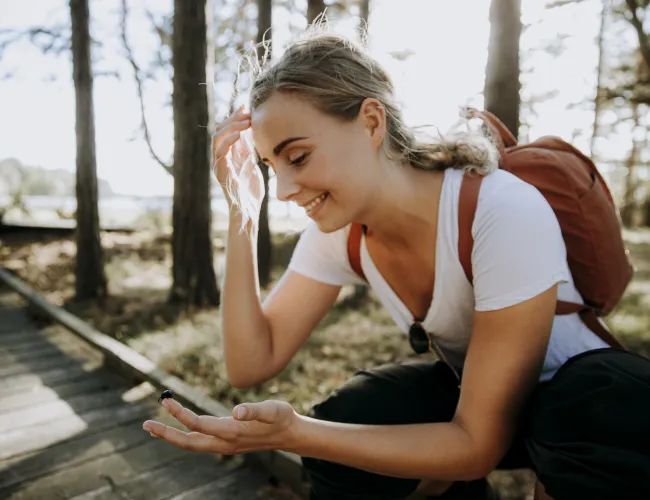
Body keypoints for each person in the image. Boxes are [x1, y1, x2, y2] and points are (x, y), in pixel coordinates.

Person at [142, 28, 650, 500]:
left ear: (371, 121)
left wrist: (298, 433)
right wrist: (241, 214)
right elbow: (251, 362)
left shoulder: (499, 209)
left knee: (589, 406)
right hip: (479, 408)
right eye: (270, 167)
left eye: (296, 158)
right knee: (357, 414)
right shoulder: (339, 230)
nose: (287, 190)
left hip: (590, 421)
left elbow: (478, 445)